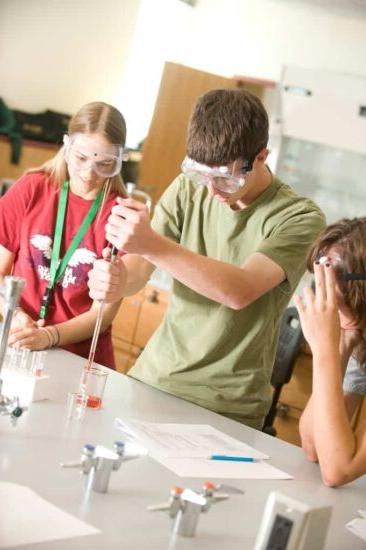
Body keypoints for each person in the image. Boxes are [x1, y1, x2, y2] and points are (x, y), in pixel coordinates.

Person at [88, 88, 325, 427]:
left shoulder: (298, 217)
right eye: (201, 174)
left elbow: (239, 290)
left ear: (261, 157)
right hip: (154, 378)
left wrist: (150, 243)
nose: (211, 190)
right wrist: (117, 279)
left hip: (228, 405)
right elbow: (140, 269)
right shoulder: (188, 187)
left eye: (226, 179)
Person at [0, 101, 127, 369]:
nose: (89, 173)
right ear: (67, 146)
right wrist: (16, 314)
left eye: (104, 164)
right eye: (81, 158)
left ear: (117, 160)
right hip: (22, 344)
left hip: (79, 361)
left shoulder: (120, 215)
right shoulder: (31, 189)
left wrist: (50, 335)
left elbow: (102, 314)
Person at [295, 218, 366, 486]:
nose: (322, 296)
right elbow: (313, 445)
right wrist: (341, 345)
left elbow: (338, 470)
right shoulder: (358, 330)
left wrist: (324, 349)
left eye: (330, 281)